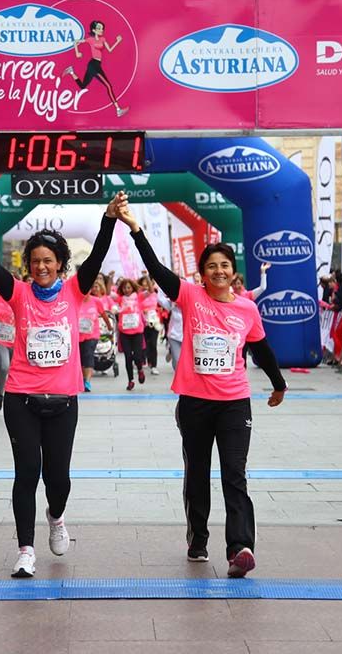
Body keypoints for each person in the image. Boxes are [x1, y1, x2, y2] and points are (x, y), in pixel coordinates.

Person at [119, 200, 287, 578]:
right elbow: (158, 270)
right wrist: (135, 228)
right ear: (203, 273)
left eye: (225, 265)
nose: (219, 271)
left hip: (234, 403)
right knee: (197, 473)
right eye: (212, 266)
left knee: (234, 474)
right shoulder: (191, 297)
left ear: (233, 272)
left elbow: (261, 348)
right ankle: (197, 539)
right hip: (195, 403)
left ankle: (239, 548)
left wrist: (278, 384)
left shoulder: (247, 309)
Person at [0, 192, 127, 578]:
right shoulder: (18, 293)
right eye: (35, 261)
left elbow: (97, 256)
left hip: (63, 399)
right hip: (21, 397)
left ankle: (56, 516)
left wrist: (109, 218)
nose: (41, 266)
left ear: (60, 263)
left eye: (48, 260)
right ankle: (25, 550)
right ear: (28, 266)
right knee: (27, 472)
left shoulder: (75, 290)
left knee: (58, 478)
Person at [61, 19, 128, 117]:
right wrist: (77, 53)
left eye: (102, 28)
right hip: (93, 65)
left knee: (83, 86)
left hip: (96, 64)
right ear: (93, 30)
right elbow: (76, 41)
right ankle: (118, 110)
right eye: (99, 28)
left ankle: (71, 72)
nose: (101, 30)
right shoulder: (90, 39)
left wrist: (117, 41)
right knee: (108, 86)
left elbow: (109, 50)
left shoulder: (103, 39)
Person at [77, 278, 114, 393]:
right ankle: (83, 378)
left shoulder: (96, 301)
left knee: (88, 354)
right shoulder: (75, 301)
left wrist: (109, 326)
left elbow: (104, 314)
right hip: (78, 335)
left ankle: (87, 381)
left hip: (92, 334)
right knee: (81, 358)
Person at [115, 278, 147, 390]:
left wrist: (147, 276)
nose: (126, 290)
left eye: (129, 287)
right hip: (124, 332)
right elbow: (108, 293)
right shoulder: (120, 299)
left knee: (137, 356)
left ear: (133, 288)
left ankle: (140, 369)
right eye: (124, 288)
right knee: (128, 357)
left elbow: (150, 291)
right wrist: (109, 278)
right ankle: (131, 380)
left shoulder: (138, 297)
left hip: (137, 331)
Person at [138, 275, 162, 376]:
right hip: (143, 322)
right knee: (144, 344)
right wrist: (142, 311)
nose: (146, 285)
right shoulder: (140, 295)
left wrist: (148, 278)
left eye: (147, 283)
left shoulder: (154, 293)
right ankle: (145, 361)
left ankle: (154, 365)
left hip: (154, 322)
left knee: (153, 344)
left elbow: (151, 290)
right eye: (144, 283)